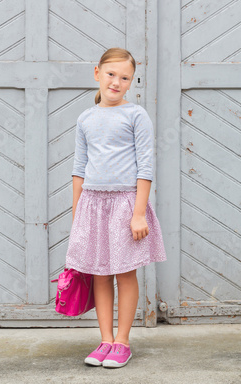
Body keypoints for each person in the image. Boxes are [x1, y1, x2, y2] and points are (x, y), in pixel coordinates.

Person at [65, 47, 167, 368]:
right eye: (111, 74)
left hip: (125, 204)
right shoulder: (85, 118)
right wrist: (77, 211)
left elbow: (145, 167)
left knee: (124, 272)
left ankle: (122, 341)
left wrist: (139, 212)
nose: (116, 82)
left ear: (130, 82)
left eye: (125, 78)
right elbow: (79, 168)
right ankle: (105, 339)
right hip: (92, 205)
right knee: (99, 273)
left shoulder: (135, 115)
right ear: (97, 73)